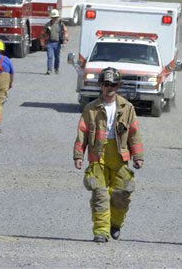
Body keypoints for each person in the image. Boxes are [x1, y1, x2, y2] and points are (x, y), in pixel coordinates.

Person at [73, 67, 144, 243]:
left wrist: (138, 156)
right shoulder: (91, 109)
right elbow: (82, 132)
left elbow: (134, 133)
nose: (109, 88)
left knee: (122, 193)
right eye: (106, 84)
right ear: (101, 86)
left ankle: (115, 223)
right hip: (98, 155)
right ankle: (101, 231)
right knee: (100, 194)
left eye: (113, 84)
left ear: (118, 86)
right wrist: (78, 155)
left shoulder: (127, 108)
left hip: (120, 156)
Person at [42, 9, 68, 74]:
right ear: (51, 17)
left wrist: (65, 39)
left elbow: (65, 32)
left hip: (57, 43)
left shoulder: (61, 25)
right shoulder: (47, 25)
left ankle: (56, 69)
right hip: (49, 43)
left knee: (57, 57)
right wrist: (42, 43)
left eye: (56, 17)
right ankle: (49, 70)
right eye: (53, 17)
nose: (55, 19)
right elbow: (42, 34)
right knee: (50, 57)